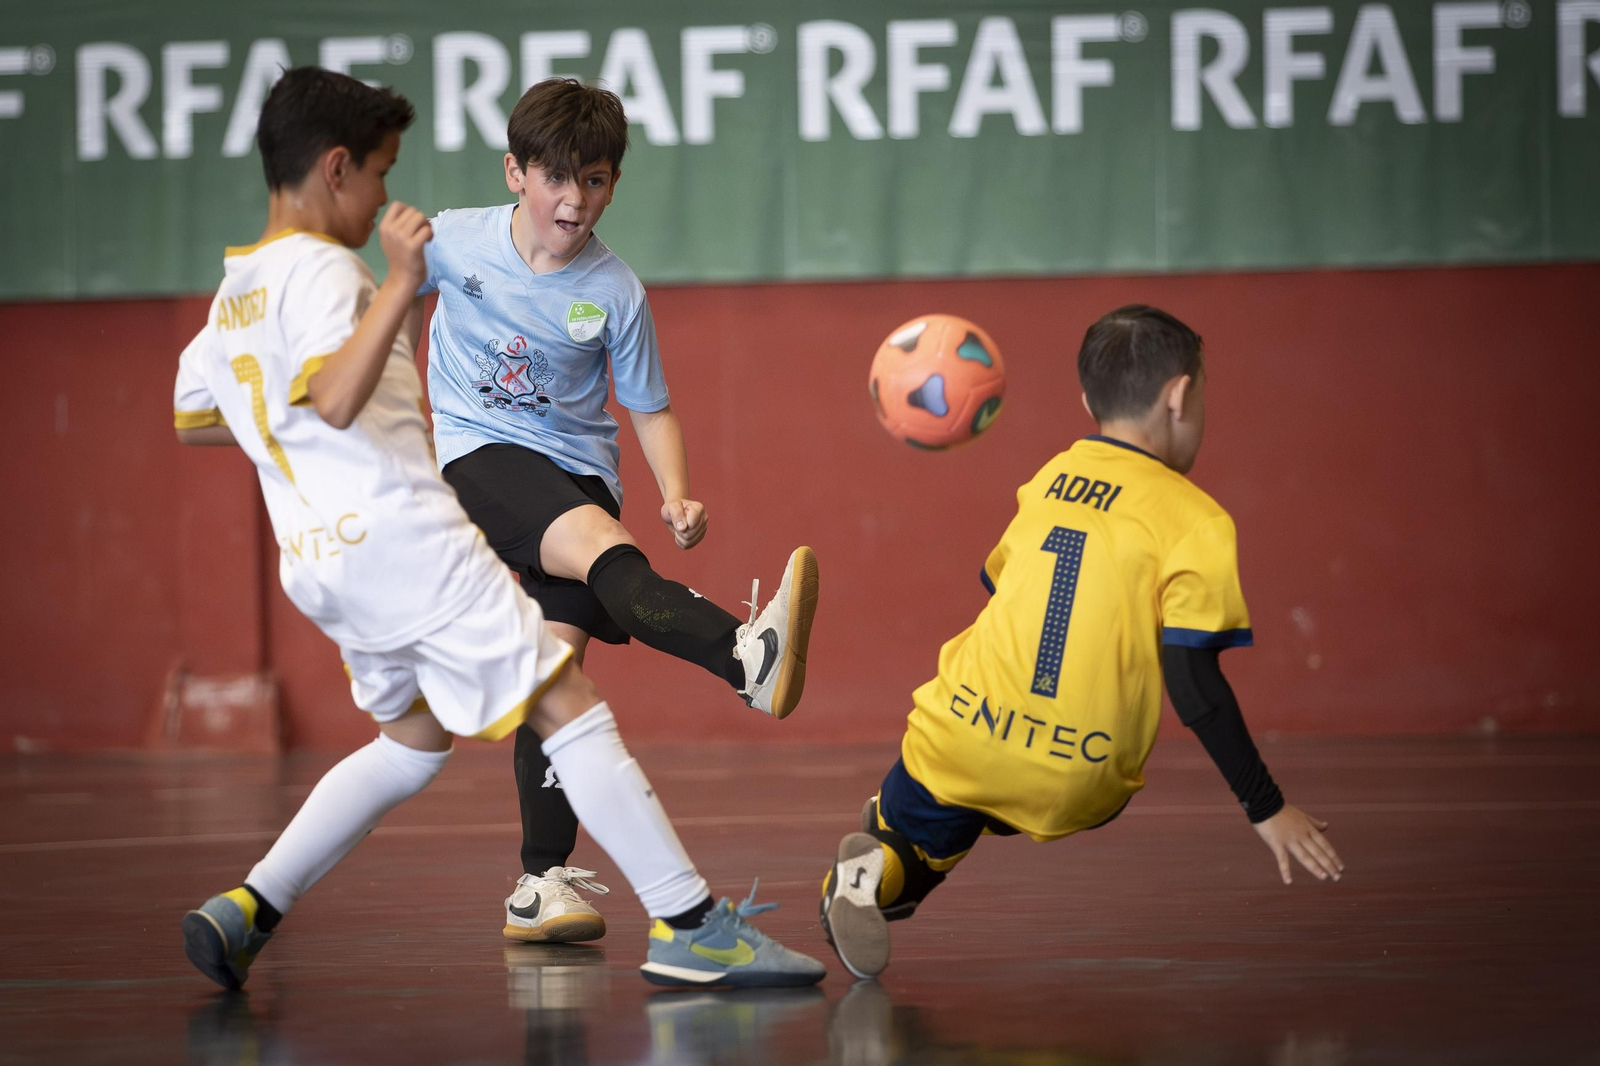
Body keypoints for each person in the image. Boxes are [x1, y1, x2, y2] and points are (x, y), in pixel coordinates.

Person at [172, 66, 824, 992]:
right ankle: (692, 918)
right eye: (381, 175)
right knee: (566, 704)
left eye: (595, 180)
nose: (389, 200)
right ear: (336, 169)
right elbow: (338, 393)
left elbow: (197, 410)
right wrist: (399, 284)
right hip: (420, 523)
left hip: (322, 558)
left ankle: (252, 904)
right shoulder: (336, 268)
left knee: (414, 745)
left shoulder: (242, 287)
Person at [818, 305, 1345, 978]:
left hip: (963, 728)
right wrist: (1265, 806)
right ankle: (908, 843)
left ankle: (881, 862)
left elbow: (1000, 587)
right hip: (1080, 773)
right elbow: (1195, 684)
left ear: (1087, 401)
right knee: (999, 797)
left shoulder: (1052, 476)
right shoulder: (1196, 520)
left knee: (920, 832)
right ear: (1182, 395)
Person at [415, 77, 819, 944]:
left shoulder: (616, 291)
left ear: (614, 183)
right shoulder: (452, 242)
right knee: (598, 546)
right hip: (479, 454)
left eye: (595, 181)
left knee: (552, 675)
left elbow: (649, 406)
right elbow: (379, 310)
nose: (575, 200)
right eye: (557, 179)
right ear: (516, 173)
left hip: (580, 472)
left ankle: (539, 882)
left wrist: (674, 489)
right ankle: (743, 656)